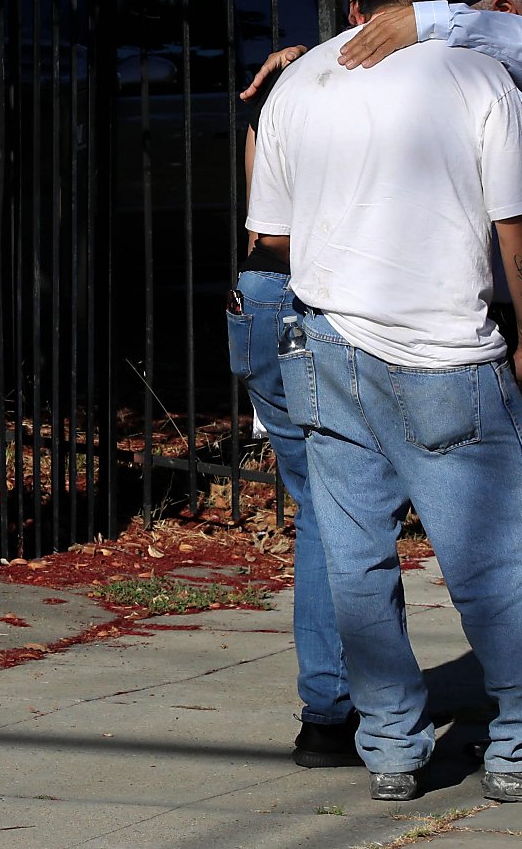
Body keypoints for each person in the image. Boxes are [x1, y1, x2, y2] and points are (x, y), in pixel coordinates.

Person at [243, 0, 522, 766]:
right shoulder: (468, 71)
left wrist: (424, 27)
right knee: (500, 536)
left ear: (497, 8)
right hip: (481, 316)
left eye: (442, 22)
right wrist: (326, 61)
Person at [228, 79, 356, 768]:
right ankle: (340, 707)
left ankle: (330, 711)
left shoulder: (287, 91)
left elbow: (263, 221)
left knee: (322, 503)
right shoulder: (406, 87)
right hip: (321, 294)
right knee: (351, 503)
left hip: (264, 290)